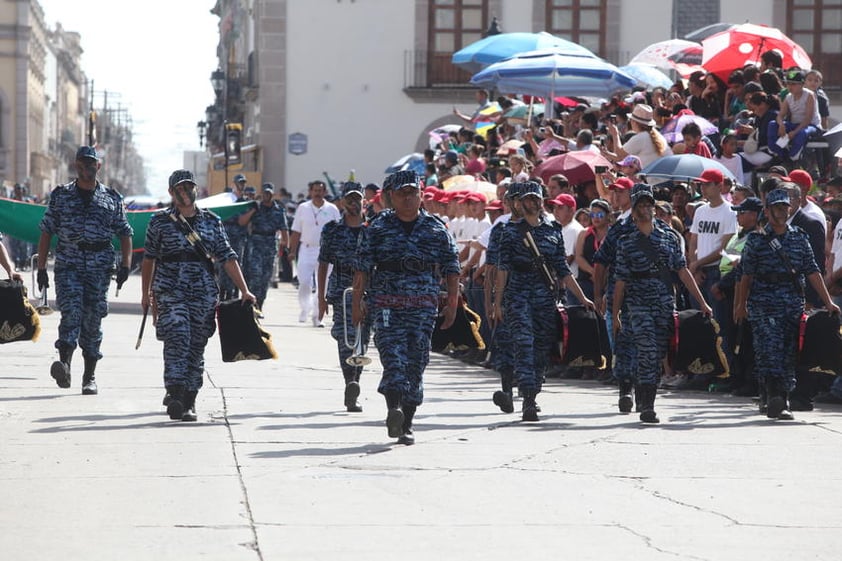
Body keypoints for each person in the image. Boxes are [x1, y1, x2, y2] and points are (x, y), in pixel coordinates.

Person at [352, 170, 460, 445]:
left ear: (421, 194)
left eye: (413, 192)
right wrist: (356, 303)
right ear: (391, 197)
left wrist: (452, 305)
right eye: (402, 193)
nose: (409, 198)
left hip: (423, 306)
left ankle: (407, 421)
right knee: (393, 358)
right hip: (386, 304)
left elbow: (451, 269)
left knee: (416, 362)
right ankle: (393, 410)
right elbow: (362, 269)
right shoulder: (377, 228)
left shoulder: (436, 228)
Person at [141, 170, 255, 421]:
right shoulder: (159, 222)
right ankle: (175, 391)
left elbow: (227, 257)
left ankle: (190, 399)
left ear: (196, 189)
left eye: (188, 187)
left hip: (202, 293)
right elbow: (149, 258)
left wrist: (245, 289)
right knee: (177, 335)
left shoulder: (212, 222)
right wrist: (146, 294)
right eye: (179, 188)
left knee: (196, 346)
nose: (185, 192)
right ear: (171, 192)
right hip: (170, 290)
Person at [492, 181, 594, 421]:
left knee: (540, 349)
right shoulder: (510, 232)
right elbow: (503, 269)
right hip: (517, 296)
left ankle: (533, 393)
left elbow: (563, 270)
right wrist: (497, 302)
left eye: (536, 199)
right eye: (528, 199)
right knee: (524, 344)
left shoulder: (553, 231)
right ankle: (527, 398)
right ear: (519, 203)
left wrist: (582, 297)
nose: (533, 203)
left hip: (545, 298)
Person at [735, 189, 839, 421]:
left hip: (792, 301)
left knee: (788, 352)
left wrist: (828, 301)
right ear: (768, 210)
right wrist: (741, 305)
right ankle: (776, 398)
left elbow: (812, 271)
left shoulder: (799, 237)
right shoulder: (757, 239)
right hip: (763, 302)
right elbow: (746, 276)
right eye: (777, 207)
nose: (782, 211)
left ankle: (776, 395)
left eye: (784, 207)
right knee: (769, 350)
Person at [36, 146, 133, 395]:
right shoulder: (61, 196)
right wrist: (41, 268)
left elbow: (125, 233)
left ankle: (89, 376)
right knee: (70, 313)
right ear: (75, 165)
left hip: (100, 267)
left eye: (90, 164)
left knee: (93, 320)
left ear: (98, 166)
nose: (85, 168)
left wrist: (125, 265)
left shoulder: (112, 198)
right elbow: (46, 231)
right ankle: (65, 365)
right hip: (69, 264)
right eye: (81, 164)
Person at [613, 183, 711, 423]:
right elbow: (620, 281)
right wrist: (615, 313)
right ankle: (647, 405)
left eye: (649, 204)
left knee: (656, 352)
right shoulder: (626, 240)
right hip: (637, 303)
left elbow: (683, 271)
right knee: (646, 349)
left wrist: (702, 302)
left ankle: (646, 393)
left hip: (664, 302)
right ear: (634, 210)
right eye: (641, 205)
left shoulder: (668, 236)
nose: (646, 209)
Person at [317, 182, 370, 413]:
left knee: (362, 339)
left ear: (363, 201)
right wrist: (320, 298)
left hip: (367, 289)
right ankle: (351, 383)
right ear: (341, 202)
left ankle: (355, 380)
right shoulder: (332, 230)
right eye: (349, 199)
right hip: (341, 288)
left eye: (357, 199)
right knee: (345, 338)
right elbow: (323, 263)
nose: (354, 203)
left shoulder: (372, 230)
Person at [289, 180, 341, 326]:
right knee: (304, 281)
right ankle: (305, 308)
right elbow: (296, 231)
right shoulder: (303, 208)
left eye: (320, 190)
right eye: (315, 190)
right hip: (306, 249)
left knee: (322, 285)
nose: (318, 193)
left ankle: (317, 317)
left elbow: (339, 231)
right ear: (310, 192)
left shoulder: (332, 209)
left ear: (325, 192)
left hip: (326, 250)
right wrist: (292, 251)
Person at [244, 183, 289, 311]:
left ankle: (260, 305)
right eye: (264, 193)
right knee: (255, 275)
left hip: (270, 245)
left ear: (272, 194)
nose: (266, 196)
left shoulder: (279, 211)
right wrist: (253, 209)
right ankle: (252, 305)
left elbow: (284, 230)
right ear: (261, 194)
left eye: (269, 193)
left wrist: (287, 247)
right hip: (256, 244)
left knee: (265, 278)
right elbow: (242, 222)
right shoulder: (256, 208)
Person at [769, 69, 821, 161]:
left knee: (802, 133)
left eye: (793, 84)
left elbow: (808, 119)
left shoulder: (809, 95)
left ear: (802, 84)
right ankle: (778, 153)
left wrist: (795, 132)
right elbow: (780, 115)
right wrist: (781, 125)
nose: (790, 86)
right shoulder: (788, 97)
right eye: (788, 83)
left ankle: (793, 156)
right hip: (795, 124)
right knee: (772, 124)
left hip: (811, 126)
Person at [604, 104, 672, 169]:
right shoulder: (655, 134)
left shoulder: (641, 138)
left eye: (631, 120)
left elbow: (620, 157)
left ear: (635, 122)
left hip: (656, 180)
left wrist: (615, 134)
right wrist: (607, 154)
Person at [218, 173, 251, 300]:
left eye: (243, 183)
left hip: (238, 238)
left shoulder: (245, 203)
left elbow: (243, 222)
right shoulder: (227, 200)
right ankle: (222, 294)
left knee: (237, 265)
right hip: (225, 236)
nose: (241, 185)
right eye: (239, 183)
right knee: (223, 266)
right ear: (234, 184)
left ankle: (235, 294)